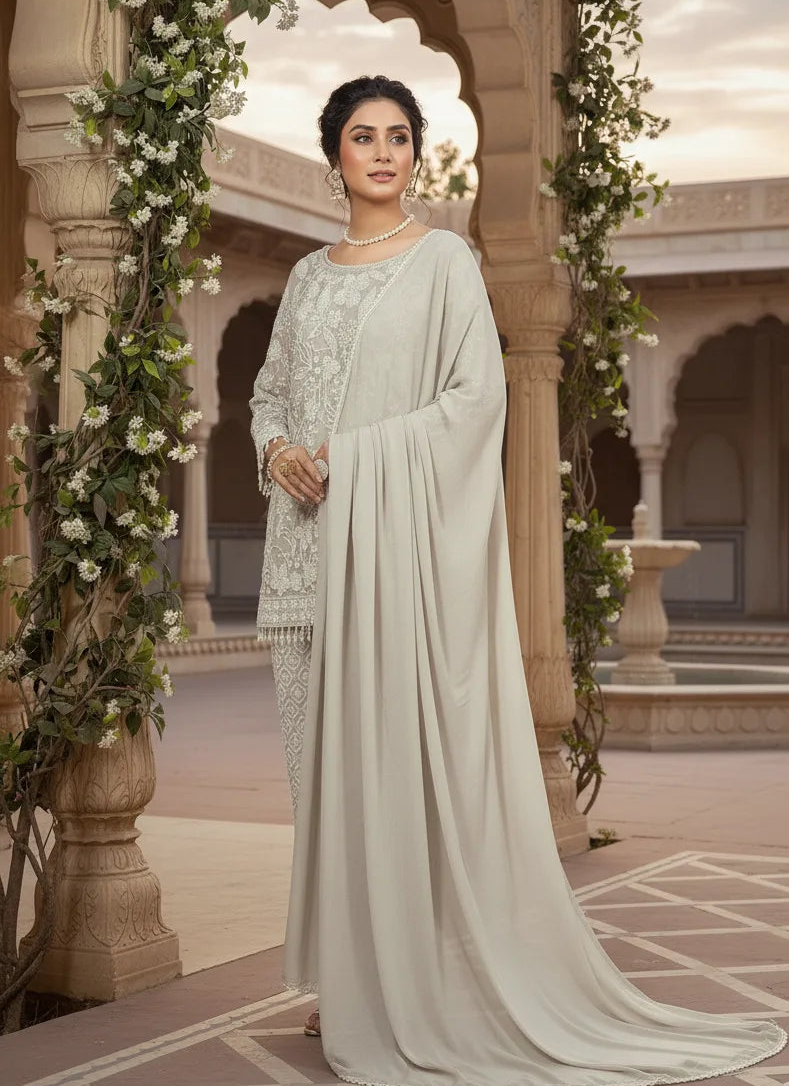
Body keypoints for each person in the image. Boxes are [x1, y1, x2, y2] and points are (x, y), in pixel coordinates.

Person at [250, 75, 786, 1086]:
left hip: (395, 576)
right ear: (333, 155)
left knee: (402, 777)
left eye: (399, 136)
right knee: (325, 788)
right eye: (362, 136)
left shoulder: (445, 263)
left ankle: (420, 983)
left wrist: (356, 458)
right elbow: (268, 391)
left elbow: (474, 403)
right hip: (303, 570)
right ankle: (353, 979)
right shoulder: (309, 278)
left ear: (414, 155)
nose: (381, 151)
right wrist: (277, 446)